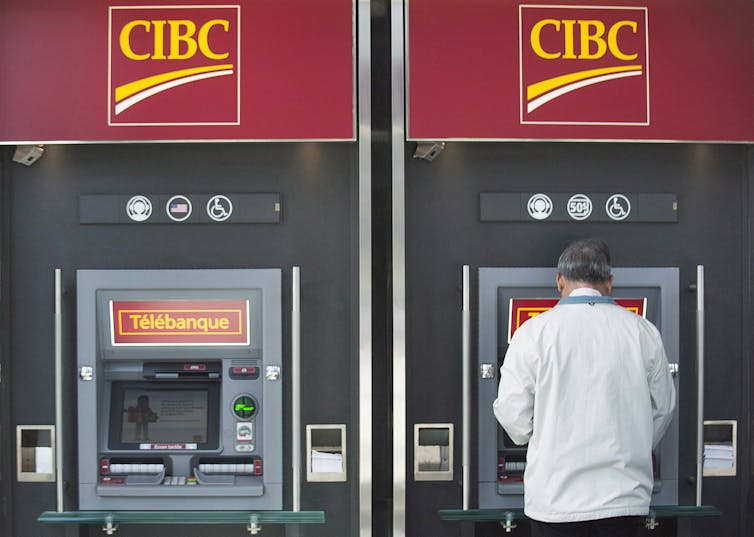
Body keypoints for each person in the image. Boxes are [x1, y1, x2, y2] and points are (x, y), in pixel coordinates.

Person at [493, 238, 676, 537]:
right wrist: (635, 443)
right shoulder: (643, 332)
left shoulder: (534, 332)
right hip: (623, 497)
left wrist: (541, 438)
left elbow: (512, 413)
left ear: (559, 281)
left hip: (556, 498)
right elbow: (664, 407)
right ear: (609, 282)